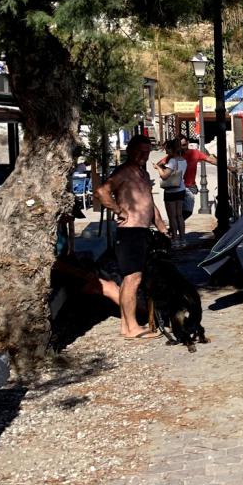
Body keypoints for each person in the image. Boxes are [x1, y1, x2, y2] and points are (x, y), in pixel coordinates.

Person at [95, 135, 166, 339]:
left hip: (142, 231)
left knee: (134, 279)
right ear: (130, 149)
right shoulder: (124, 171)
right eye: (140, 151)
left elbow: (149, 203)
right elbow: (102, 191)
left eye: (147, 151)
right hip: (130, 232)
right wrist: (118, 210)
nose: (144, 155)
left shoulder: (142, 173)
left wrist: (161, 227)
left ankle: (127, 326)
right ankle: (133, 328)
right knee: (132, 278)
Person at [157, 140, 188, 247]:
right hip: (181, 188)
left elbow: (165, 176)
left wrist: (159, 168)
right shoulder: (183, 160)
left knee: (172, 216)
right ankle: (183, 238)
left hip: (171, 190)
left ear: (171, 149)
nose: (166, 151)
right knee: (179, 215)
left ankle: (175, 239)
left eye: (167, 149)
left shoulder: (172, 161)